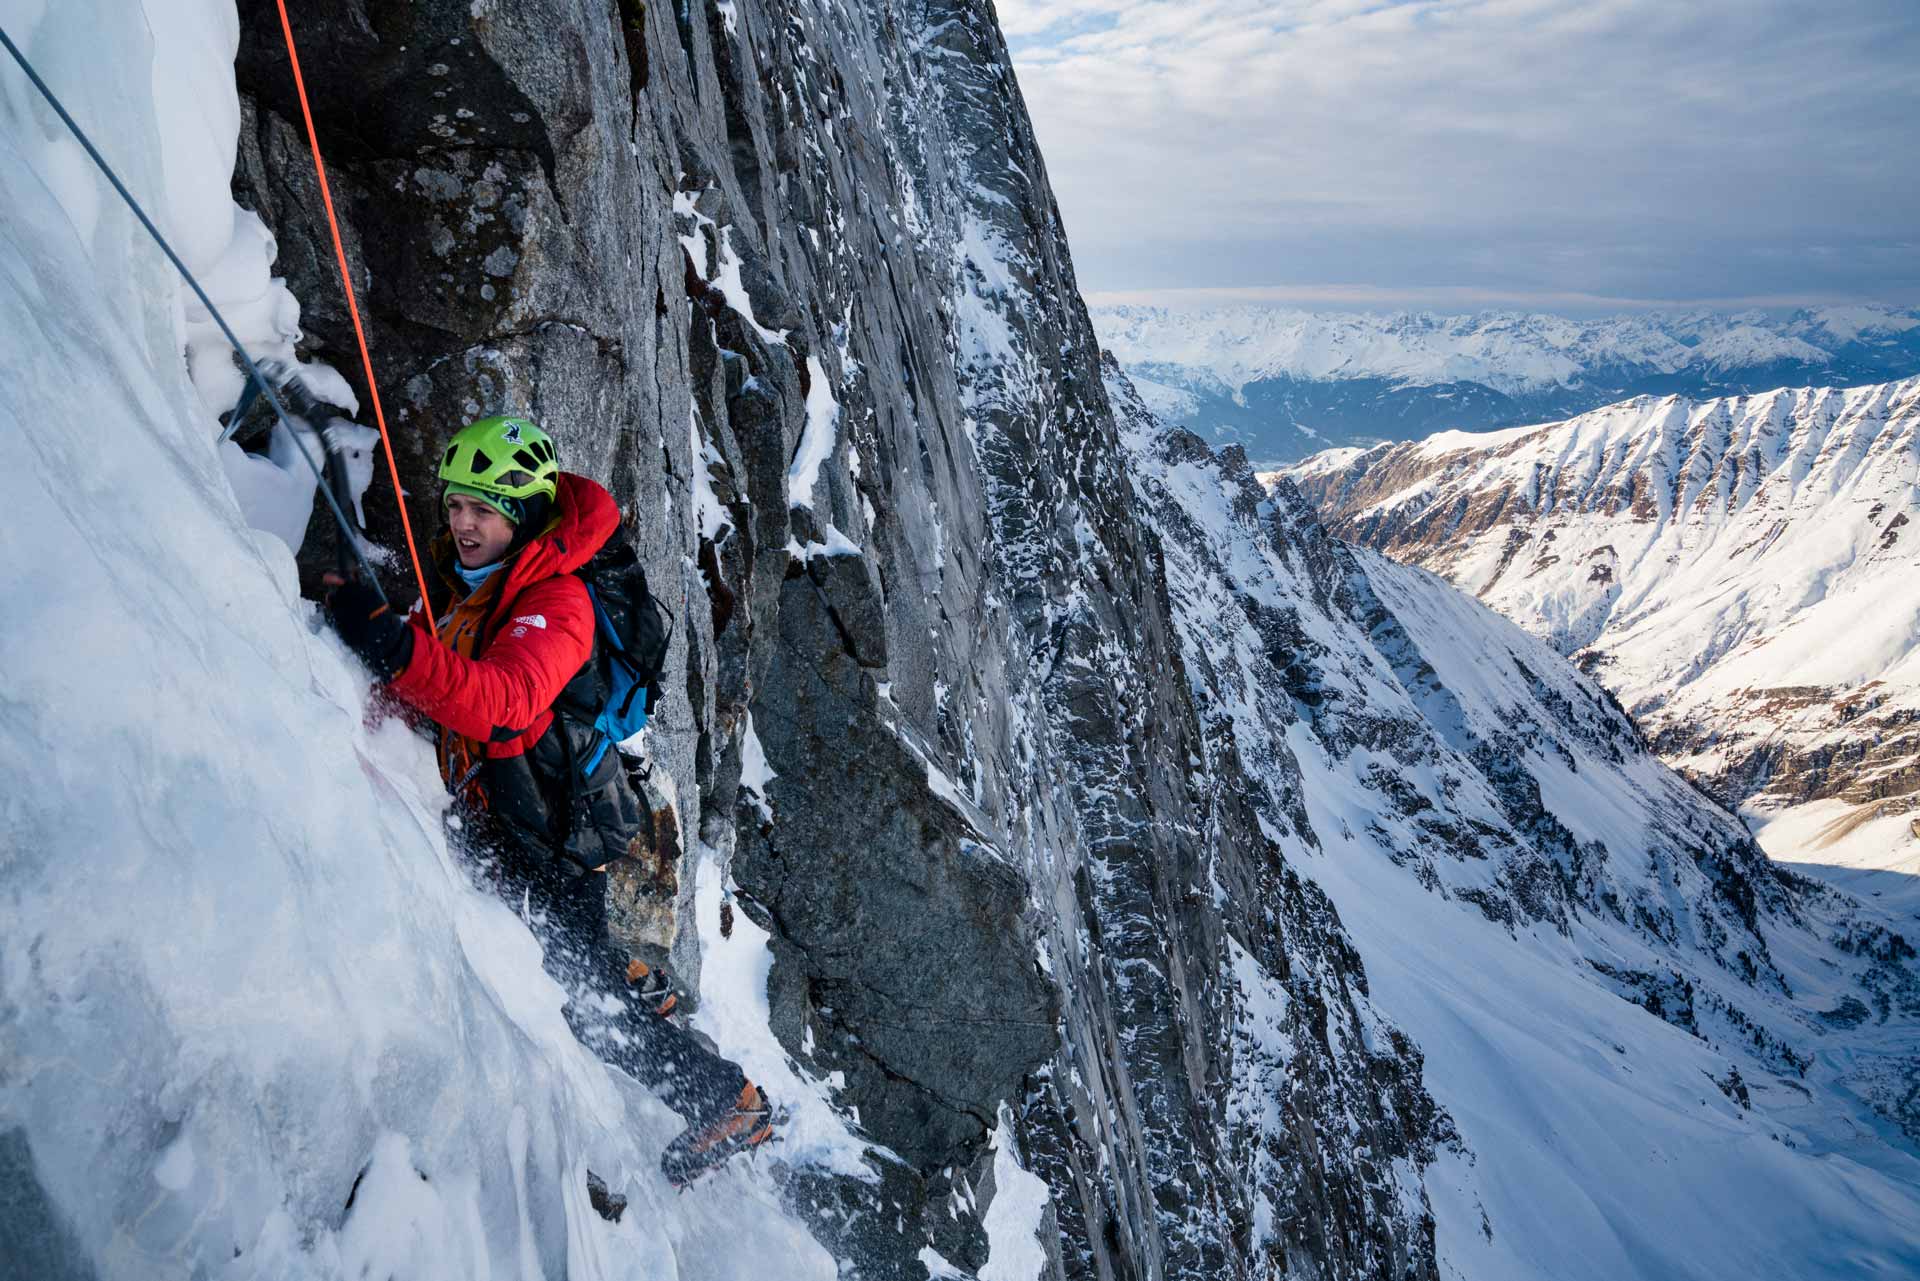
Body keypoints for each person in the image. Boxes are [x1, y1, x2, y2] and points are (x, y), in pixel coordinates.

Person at [322, 414, 773, 1188]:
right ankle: (630, 975)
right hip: (524, 807)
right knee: (573, 958)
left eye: (484, 508)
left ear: (522, 513)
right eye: (457, 503)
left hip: (552, 829)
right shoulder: (494, 580)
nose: (463, 522)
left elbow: (501, 700)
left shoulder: (556, 604)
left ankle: (731, 1102)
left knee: (582, 1002)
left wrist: (394, 650)